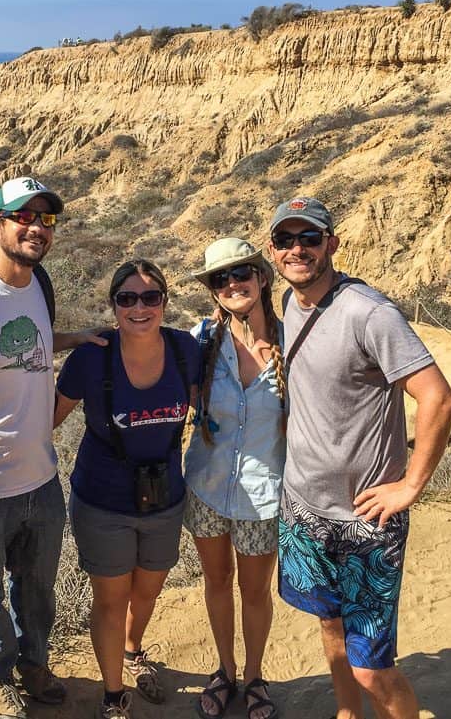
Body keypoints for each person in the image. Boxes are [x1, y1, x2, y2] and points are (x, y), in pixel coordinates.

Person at [267, 196, 451, 719]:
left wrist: (411, 485)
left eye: (310, 238)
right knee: (328, 623)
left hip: (365, 521)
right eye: (287, 240)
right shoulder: (287, 305)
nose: (298, 250)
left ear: (332, 243)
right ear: (273, 250)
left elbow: (438, 397)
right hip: (304, 509)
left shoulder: (368, 312)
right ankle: (348, 713)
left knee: (372, 665)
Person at [0, 176, 102, 719]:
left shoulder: (40, 284)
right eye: (23, 217)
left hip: (41, 477)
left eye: (46, 219)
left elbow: (26, 342)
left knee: (36, 593)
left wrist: (74, 340)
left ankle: (34, 667)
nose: (36, 228)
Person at [54, 259, 201, 719]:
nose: (140, 307)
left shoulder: (184, 350)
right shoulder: (91, 357)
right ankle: (114, 691)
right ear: (114, 305)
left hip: (165, 497)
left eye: (150, 297)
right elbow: (48, 420)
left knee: (149, 589)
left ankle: (134, 650)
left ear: (164, 302)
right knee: (111, 597)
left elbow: (213, 407)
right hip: (103, 499)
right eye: (128, 298)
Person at [185, 238, 285, 719]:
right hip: (207, 486)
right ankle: (225, 670)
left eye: (241, 272)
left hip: (264, 495)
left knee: (255, 590)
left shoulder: (293, 343)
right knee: (217, 581)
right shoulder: (203, 341)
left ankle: (254, 676)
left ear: (261, 277)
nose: (232, 284)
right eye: (219, 279)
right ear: (212, 291)